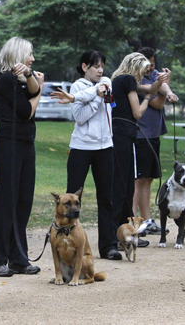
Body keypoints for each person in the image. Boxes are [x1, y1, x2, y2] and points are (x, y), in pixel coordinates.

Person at [52, 50, 122, 260]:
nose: (100, 70)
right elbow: (80, 118)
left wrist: (97, 95)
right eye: (95, 66)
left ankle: (108, 246)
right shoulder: (77, 86)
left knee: (107, 198)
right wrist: (96, 98)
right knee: (71, 198)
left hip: (105, 148)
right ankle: (67, 242)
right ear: (84, 67)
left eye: (102, 66)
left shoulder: (107, 81)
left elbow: (109, 100)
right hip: (81, 148)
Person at [0, 37, 44, 277]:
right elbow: (26, 111)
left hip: (26, 144)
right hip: (8, 144)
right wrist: (38, 95)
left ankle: (18, 257)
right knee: (6, 203)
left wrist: (33, 78)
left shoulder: (21, 78)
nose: (32, 58)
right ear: (18, 54)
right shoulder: (5, 78)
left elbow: (35, 88)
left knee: (23, 201)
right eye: (29, 54)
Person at [110, 52, 166, 239]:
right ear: (135, 67)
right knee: (126, 184)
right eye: (142, 71)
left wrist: (161, 81)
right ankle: (124, 229)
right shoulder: (127, 80)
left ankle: (124, 228)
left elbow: (150, 88)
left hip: (120, 134)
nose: (143, 76)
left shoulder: (120, 79)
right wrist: (148, 100)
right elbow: (138, 113)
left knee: (126, 182)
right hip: (125, 134)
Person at [132, 47, 178, 244]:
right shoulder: (137, 81)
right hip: (139, 135)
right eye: (147, 63)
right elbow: (157, 103)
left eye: (152, 63)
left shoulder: (153, 77)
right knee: (138, 180)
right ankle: (133, 222)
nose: (150, 67)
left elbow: (162, 91)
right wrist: (163, 87)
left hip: (153, 135)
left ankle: (147, 219)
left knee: (148, 179)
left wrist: (168, 89)